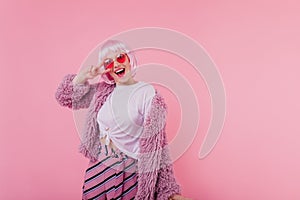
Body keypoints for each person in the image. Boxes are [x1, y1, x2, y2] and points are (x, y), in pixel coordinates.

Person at [55, 40, 191, 200]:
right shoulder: (103, 91)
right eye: (108, 62)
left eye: (120, 57)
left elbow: (158, 144)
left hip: (127, 172)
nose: (115, 64)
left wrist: (169, 191)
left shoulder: (146, 93)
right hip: (97, 168)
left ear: (129, 59)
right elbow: (64, 98)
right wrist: (83, 77)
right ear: (106, 69)